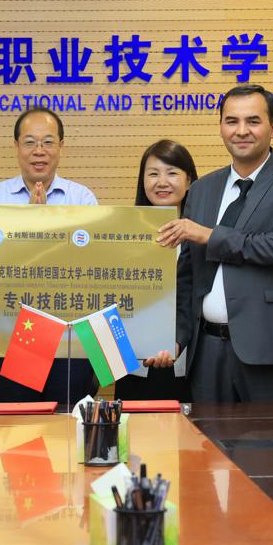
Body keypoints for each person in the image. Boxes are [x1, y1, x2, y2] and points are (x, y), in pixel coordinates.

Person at [158, 84, 273, 403]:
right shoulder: (202, 189)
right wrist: (177, 338)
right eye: (231, 121)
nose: (241, 131)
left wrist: (209, 235)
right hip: (207, 354)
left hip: (272, 352)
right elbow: (188, 277)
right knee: (207, 437)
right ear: (221, 126)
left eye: (253, 121)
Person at [0, 107, 98, 407]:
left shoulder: (82, 199)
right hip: (13, 335)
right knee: (20, 424)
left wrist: (44, 227)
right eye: (30, 142)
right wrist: (30, 226)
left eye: (48, 142)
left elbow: (89, 267)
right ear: (16, 146)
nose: (39, 151)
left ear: (61, 146)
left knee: (67, 422)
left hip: (69, 337)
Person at [114, 139, 198, 403]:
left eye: (172, 173)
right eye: (153, 174)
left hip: (187, 364)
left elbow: (193, 300)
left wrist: (176, 341)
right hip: (132, 364)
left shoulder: (202, 236)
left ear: (189, 181)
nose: (162, 182)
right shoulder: (122, 236)